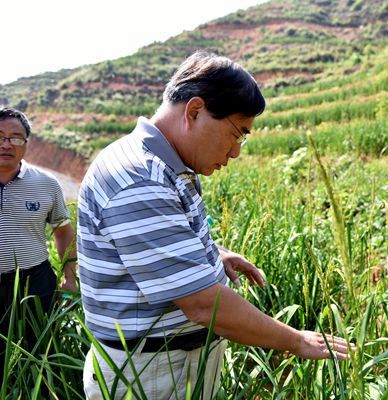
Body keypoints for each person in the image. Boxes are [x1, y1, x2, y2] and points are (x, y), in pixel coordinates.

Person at [77, 51, 351, 399]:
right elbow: (202, 302)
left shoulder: (167, 164)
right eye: (238, 133)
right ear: (194, 111)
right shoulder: (138, 179)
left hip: (170, 363)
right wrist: (297, 340)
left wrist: (210, 254)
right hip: (151, 376)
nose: (236, 151)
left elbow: (150, 241)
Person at [0, 106, 78, 384]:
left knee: (38, 353)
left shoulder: (46, 184)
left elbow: (64, 232)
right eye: (0, 136)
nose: (6, 143)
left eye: (15, 137)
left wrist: (70, 277)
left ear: (26, 143)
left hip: (35, 284)